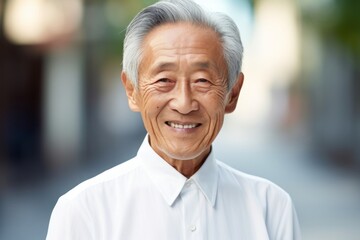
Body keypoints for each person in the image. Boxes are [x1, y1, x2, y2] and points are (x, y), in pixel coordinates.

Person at [46, 0, 301, 239]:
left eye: (202, 81)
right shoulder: (84, 211)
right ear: (132, 90)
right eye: (164, 80)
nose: (183, 103)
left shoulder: (271, 208)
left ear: (232, 94)